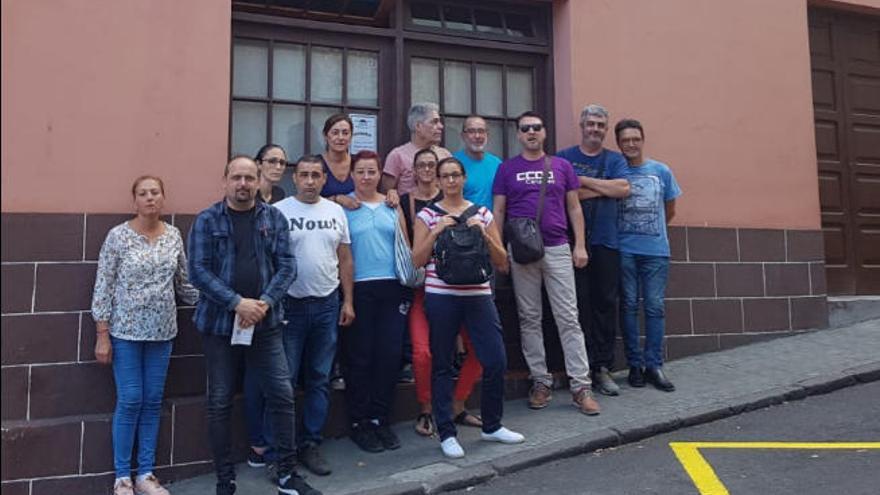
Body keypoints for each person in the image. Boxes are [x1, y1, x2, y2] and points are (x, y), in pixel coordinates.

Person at [187, 156, 319, 495]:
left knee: (282, 395)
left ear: (258, 180)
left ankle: (287, 475)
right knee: (219, 401)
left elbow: (287, 266)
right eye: (237, 177)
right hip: (219, 325)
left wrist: (263, 303)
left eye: (249, 177)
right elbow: (198, 272)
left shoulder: (273, 218)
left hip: (267, 322)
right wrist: (237, 303)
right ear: (225, 180)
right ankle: (225, 480)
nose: (243, 184)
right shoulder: (206, 220)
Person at [92, 176, 199, 495]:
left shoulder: (174, 236)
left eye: (155, 193)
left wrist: (220, 299)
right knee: (131, 399)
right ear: (134, 200)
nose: (150, 198)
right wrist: (102, 333)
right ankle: (123, 477)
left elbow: (184, 283)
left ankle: (146, 474)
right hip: (125, 331)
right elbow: (104, 285)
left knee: (153, 401)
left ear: (163, 198)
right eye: (143, 193)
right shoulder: (118, 237)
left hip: (163, 332)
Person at [412, 157, 524, 458]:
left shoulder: (483, 213)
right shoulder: (426, 214)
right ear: (437, 181)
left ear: (463, 179)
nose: (450, 181)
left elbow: (502, 261)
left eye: (455, 175)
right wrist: (437, 231)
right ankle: (447, 432)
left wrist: (484, 233)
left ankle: (492, 425)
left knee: (495, 359)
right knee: (443, 364)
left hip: (478, 294)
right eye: (444, 176)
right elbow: (416, 260)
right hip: (441, 295)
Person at [492, 111, 601, 416]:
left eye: (536, 127)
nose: (531, 132)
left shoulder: (562, 166)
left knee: (568, 317)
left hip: (556, 248)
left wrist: (579, 244)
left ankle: (581, 386)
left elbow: (574, 208)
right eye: (525, 128)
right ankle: (540, 382)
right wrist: (499, 249)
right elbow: (498, 211)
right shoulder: (507, 169)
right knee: (529, 317)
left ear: (544, 132)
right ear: (518, 134)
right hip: (521, 251)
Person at [272, 155, 355, 476]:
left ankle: (310, 444)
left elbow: (345, 258)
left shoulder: (335, 212)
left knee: (320, 379)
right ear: (294, 179)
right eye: (304, 175)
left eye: (315, 176)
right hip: (289, 307)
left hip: (326, 306)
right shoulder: (279, 212)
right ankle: (282, 451)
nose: (309, 181)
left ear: (324, 180)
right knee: (285, 381)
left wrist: (348, 301)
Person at [401, 149, 484, 437]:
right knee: (423, 353)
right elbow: (414, 255)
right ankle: (426, 409)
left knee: (481, 351)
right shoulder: (405, 202)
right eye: (420, 165)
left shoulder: (462, 205)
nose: (427, 170)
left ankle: (457, 405)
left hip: (464, 288)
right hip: (424, 289)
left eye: (431, 165)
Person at [556, 104, 631, 396]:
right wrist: (604, 187)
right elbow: (562, 196)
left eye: (601, 125)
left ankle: (602, 367)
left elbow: (623, 189)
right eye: (591, 124)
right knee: (577, 307)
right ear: (582, 126)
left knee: (604, 305)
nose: (595, 129)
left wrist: (580, 181)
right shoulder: (563, 157)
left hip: (606, 242)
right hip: (571, 243)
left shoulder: (615, 159)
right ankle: (580, 368)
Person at [343, 150, 408, 453]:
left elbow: (405, 245)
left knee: (389, 356)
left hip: (392, 287)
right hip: (358, 288)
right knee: (360, 357)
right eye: (361, 172)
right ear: (352, 175)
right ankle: (359, 422)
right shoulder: (342, 206)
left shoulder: (392, 205)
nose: (367, 177)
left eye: (372, 171)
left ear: (380, 173)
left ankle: (381, 418)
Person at [614, 119, 682, 393]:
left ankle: (654, 365)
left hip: (655, 251)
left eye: (635, 139)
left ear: (642, 140)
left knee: (654, 307)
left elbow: (670, 210)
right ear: (619, 144)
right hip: (624, 250)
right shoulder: (616, 171)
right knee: (628, 306)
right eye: (625, 140)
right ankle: (634, 365)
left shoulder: (661, 171)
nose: (630, 144)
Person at [243, 143, 289, 471]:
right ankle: (257, 441)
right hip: (247, 301)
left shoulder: (283, 197)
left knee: (274, 375)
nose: (276, 166)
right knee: (252, 373)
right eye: (271, 161)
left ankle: (272, 444)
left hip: (277, 297)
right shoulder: (247, 198)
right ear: (259, 165)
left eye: (282, 162)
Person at [382, 102, 451, 202]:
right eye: (434, 122)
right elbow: (386, 194)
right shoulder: (397, 156)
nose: (441, 126)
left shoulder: (445, 155)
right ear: (418, 126)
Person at [453, 115, 502, 211]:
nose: (477, 136)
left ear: (487, 134)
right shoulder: (453, 163)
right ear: (463, 136)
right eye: (471, 131)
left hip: (492, 224)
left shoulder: (498, 164)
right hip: (463, 223)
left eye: (481, 131)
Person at [319, 113, 357, 210]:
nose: (340, 138)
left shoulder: (358, 163)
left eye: (345, 133)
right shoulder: (316, 164)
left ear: (351, 136)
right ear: (325, 136)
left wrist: (391, 192)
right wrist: (337, 199)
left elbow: (373, 193)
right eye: (335, 133)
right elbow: (306, 199)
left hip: (356, 219)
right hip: (324, 220)